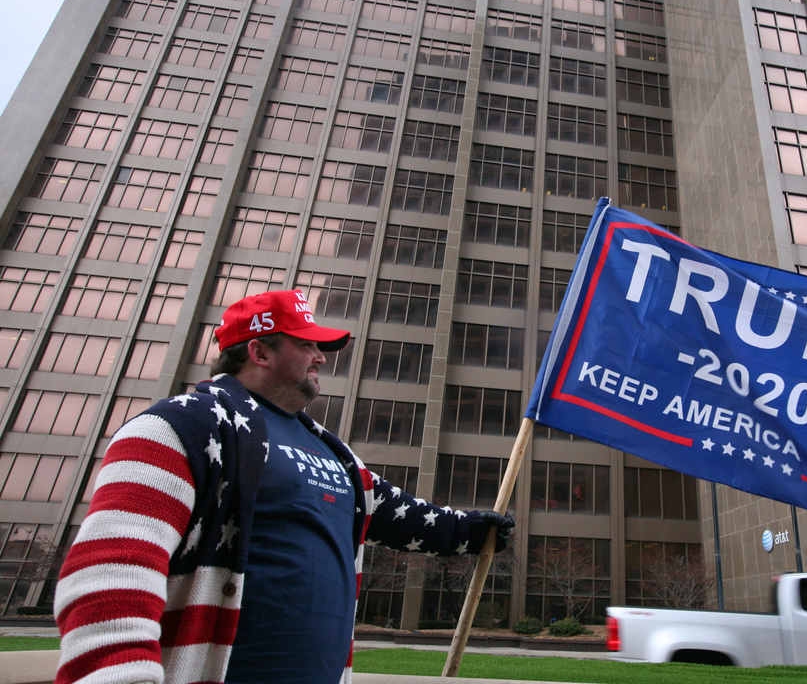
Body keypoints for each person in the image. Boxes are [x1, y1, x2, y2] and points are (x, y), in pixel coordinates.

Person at [53, 289, 514, 684]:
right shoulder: (182, 426)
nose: (321, 357)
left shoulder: (335, 453)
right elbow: (109, 571)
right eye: (307, 344)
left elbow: (406, 517)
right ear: (260, 352)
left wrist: (473, 531)